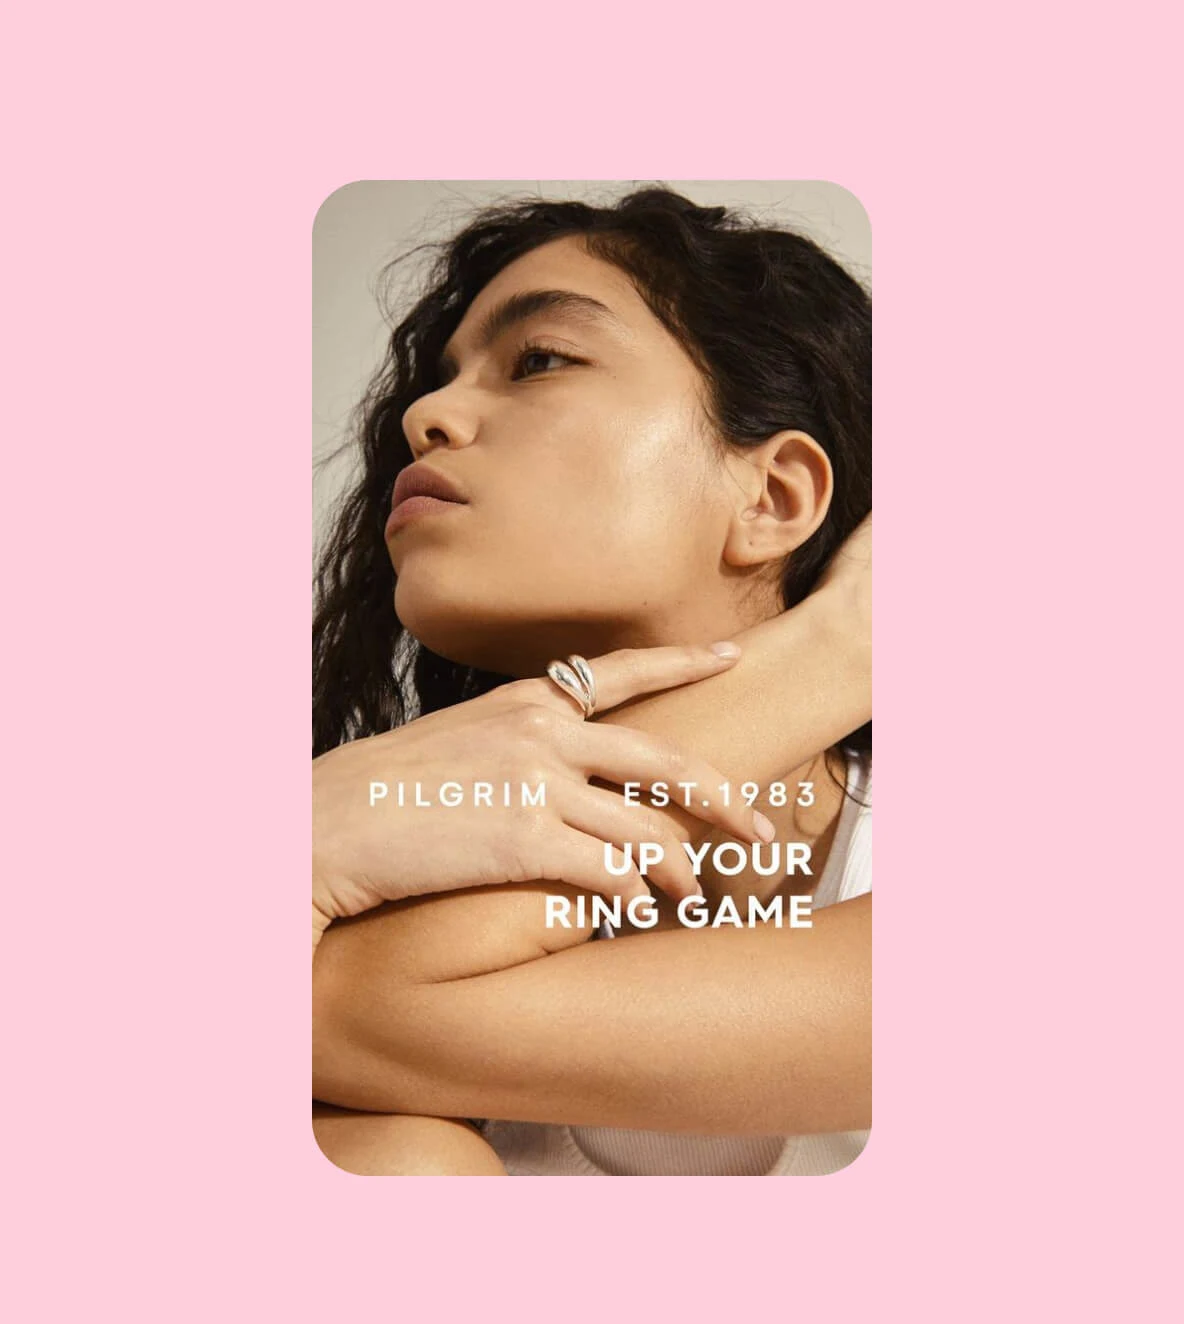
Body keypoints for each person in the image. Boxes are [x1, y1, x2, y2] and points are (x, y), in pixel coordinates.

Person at [311, 185, 872, 1175]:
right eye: (437, 382)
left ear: (774, 496)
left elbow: (360, 1008)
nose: (425, 417)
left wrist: (834, 655)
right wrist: (840, 651)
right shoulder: (357, 831)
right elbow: (346, 1007)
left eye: (539, 360)